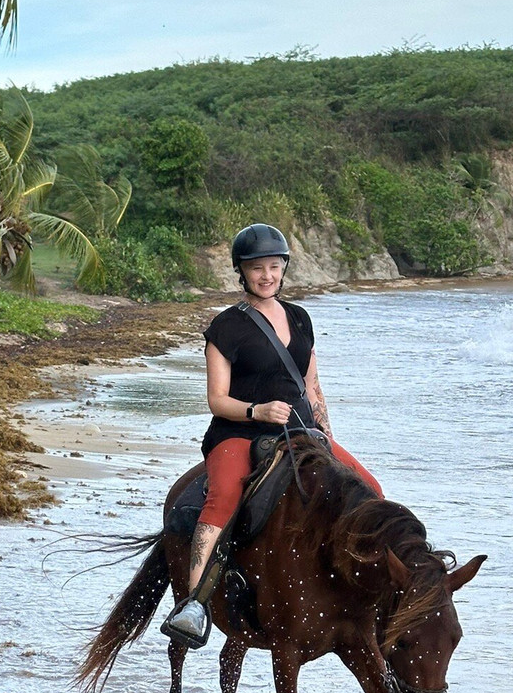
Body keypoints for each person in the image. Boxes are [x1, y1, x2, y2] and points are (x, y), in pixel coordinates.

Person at [163, 223, 382, 645]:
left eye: (274, 267)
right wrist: (256, 410)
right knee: (224, 495)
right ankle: (193, 605)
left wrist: (326, 437)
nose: (267, 275)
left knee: (369, 488)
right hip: (239, 431)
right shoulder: (226, 327)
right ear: (241, 272)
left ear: (284, 268)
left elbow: (312, 385)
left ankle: (368, 589)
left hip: (301, 431)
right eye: (257, 268)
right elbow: (216, 399)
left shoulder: (300, 318)